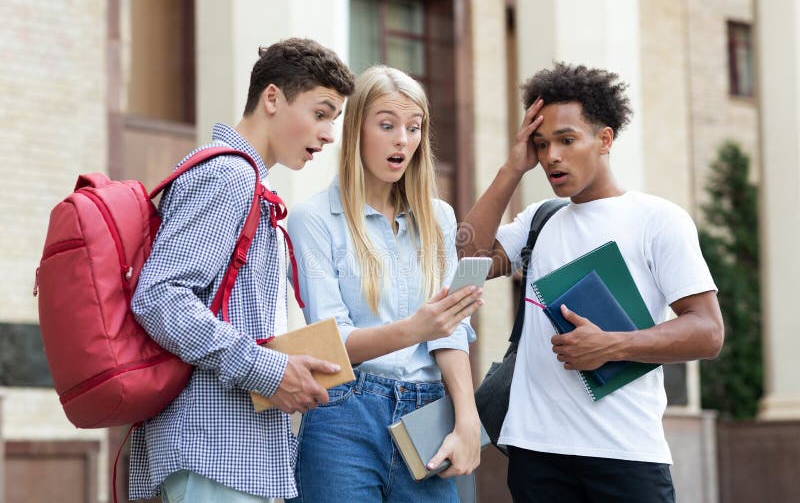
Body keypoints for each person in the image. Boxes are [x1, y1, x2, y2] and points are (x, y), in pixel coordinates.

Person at [458, 63, 724, 502]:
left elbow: (708, 332)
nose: (551, 157)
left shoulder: (658, 220)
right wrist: (511, 169)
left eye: (566, 140)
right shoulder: (539, 221)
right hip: (535, 451)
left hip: (624, 451)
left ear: (605, 140)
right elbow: (466, 266)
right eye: (541, 145)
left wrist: (613, 345)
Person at [128, 38, 355, 502]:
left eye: (333, 120)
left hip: (233, 451)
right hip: (212, 449)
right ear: (272, 98)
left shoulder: (248, 181)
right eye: (321, 113)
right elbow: (161, 295)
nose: (330, 134)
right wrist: (270, 372)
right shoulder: (227, 176)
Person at [286, 65, 484, 502]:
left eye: (414, 128)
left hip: (428, 415)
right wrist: (416, 328)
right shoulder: (312, 219)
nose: (403, 140)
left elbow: (450, 331)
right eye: (388, 125)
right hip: (344, 415)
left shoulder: (439, 218)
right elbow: (331, 341)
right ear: (357, 129)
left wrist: (467, 418)